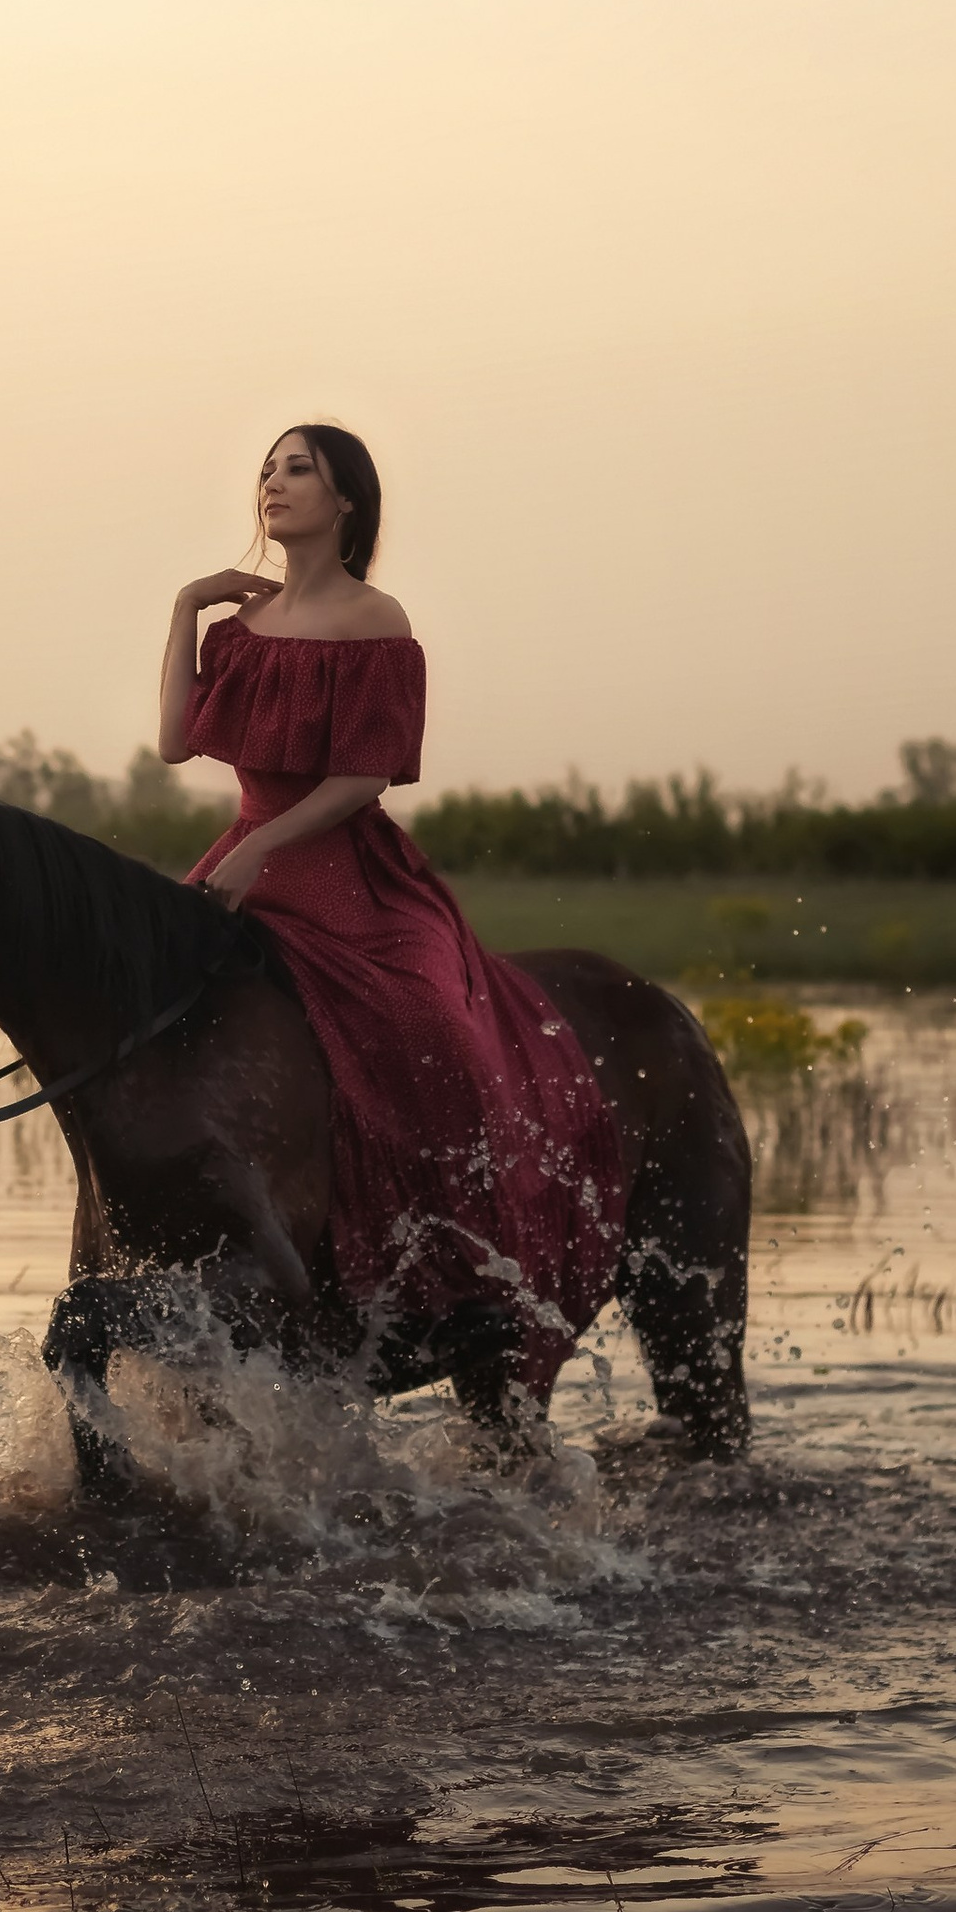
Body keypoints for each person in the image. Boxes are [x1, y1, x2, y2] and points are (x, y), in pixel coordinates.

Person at [158, 424, 623, 1381]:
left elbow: (366, 775)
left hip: (342, 872)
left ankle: (460, 1284)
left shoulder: (377, 618)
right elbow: (173, 742)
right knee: (148, 1005)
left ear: (347, 503)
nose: (272, 486)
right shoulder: (236, 629)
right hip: (244, 854)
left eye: (298, 471)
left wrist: (260, 849)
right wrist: (182, 609)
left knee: (425, 1020)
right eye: (267, 470)